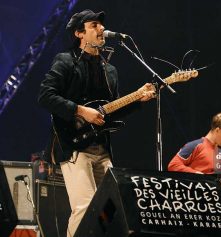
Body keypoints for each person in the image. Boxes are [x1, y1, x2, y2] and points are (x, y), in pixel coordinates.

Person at [38, 9, 155, 237]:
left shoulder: (109, 69)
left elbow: (111, 112)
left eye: (101, 24)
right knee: (83, 207)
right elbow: (45, 96)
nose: (101, 28)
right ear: (79, 33)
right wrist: (81, 111)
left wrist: (138, 99)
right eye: (94, 25)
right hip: (73, 146)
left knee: (109, 209)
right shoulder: (66, 61)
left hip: (102, 148)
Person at [168, 112, 221, 194]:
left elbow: (216, 186)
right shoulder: (195, 145)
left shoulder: (220, 154)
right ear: (217, 130)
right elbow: (173, 165)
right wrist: (198, 174)